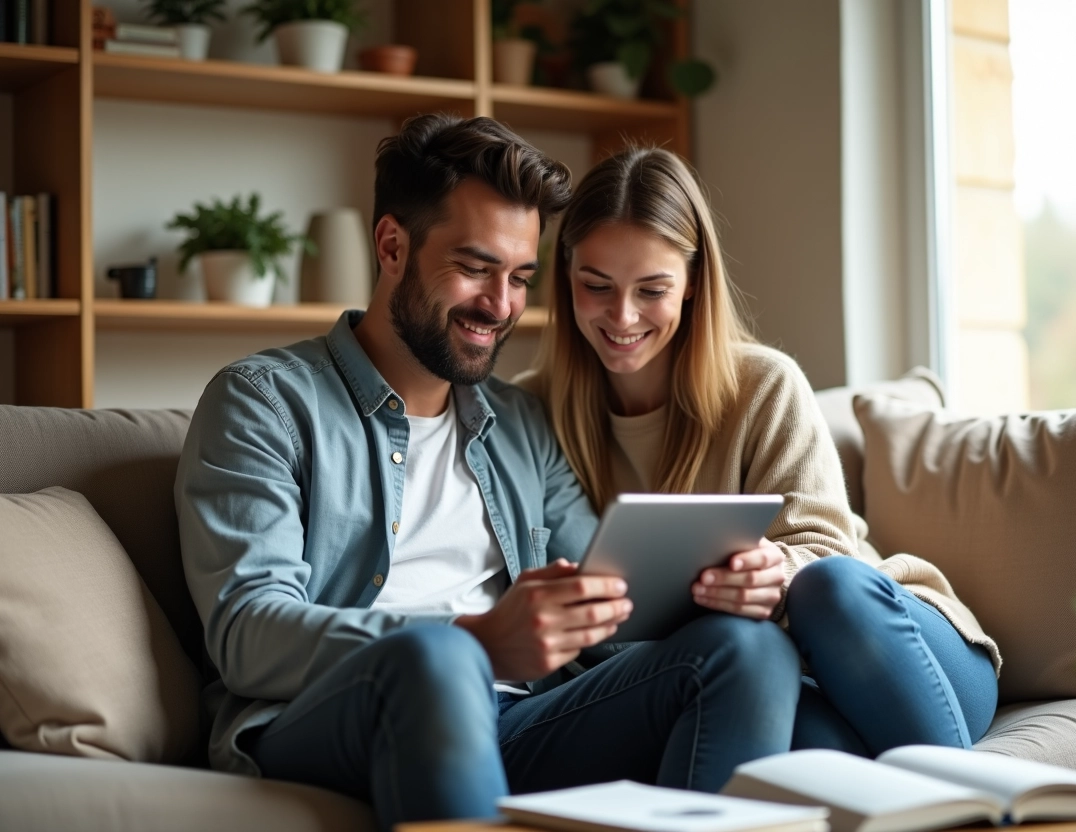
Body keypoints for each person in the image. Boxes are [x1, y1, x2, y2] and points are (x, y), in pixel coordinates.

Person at [175, 116, 802, 832]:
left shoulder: (521, 422)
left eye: (521, 278)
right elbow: (247, 633)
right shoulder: (264, 403)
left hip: (518, 715)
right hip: (331, 714)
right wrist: (474, 637)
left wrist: (732, 587)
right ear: (391, 246)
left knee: (745, 651)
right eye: (475, 268)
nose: (501, 306)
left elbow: (609, 605)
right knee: (438, 659)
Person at [519, 146, 1001, 758]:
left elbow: (828, 552)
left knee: (826, 587)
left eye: (652, 289)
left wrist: (777, 574)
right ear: (565, 275)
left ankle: (969, 798)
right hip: (774, 675)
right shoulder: (531, 412)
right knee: (781, 730)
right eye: (597, 286)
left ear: (693, 283)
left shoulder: (763, 384)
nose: (623, 315)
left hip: (897, 646)